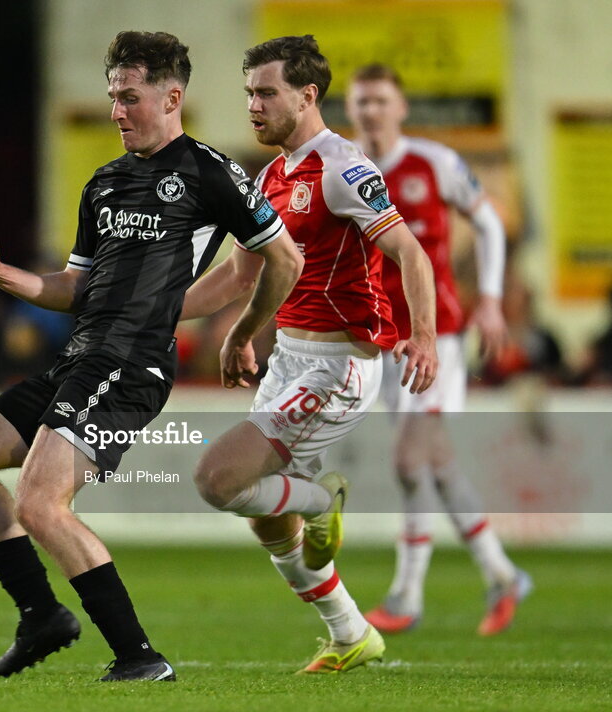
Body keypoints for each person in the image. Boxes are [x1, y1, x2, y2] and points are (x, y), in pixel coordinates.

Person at [0, 30, 299, 682]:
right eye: (112, 98)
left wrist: (242, 334)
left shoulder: (209, 172)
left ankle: (139, 656)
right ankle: (41, 614)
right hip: (80, 359)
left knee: (42, 503)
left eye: (129, 97)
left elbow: (282, 259)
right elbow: (75, 288)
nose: (116, 111)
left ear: (171, 95)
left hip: (132, 368)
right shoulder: (104, 183)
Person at [181, 36, 438, 673]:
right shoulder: (271, 174)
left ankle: (323, 500)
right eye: (249, 93)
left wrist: (425, 334)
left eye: (266, 92)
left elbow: (411, 253)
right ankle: (351, 633)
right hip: (289, 359)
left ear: (307, 94)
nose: (253, 105)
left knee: (219, 480)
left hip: (337, 368)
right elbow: (236, 276)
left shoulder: (344, 168)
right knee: (266, 518)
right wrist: (154, 313)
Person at [345, 64, 532, 636]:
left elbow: (491, 225)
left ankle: (406, 595)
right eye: (361, 103)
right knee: (438, 465)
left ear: (400, 108)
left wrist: (492, 301)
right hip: (383, 344)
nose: (371, 111)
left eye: (380, 101)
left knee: (409, 461)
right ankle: (503, 575)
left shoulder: (436, 164)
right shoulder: (345, 168)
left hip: (441, 337)